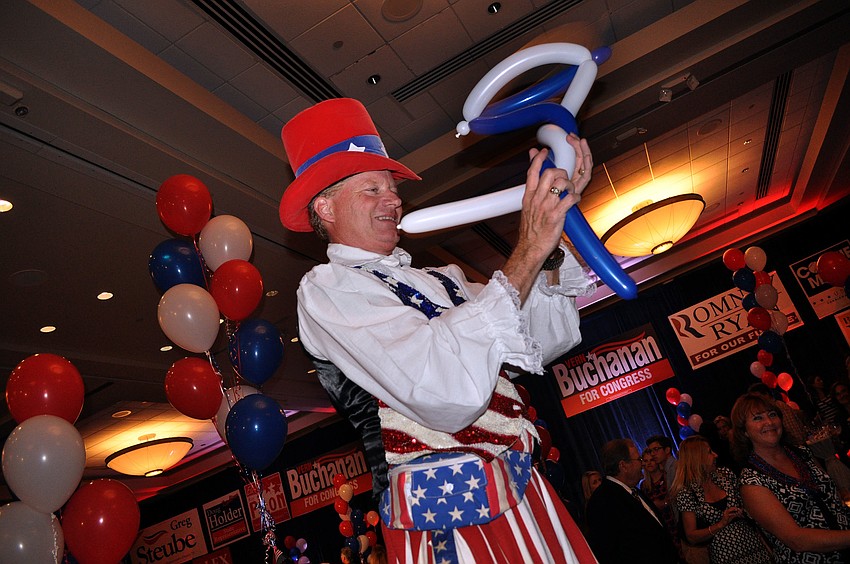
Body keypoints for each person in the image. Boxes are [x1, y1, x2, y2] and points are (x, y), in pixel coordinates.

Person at [279, 98, 597, 564]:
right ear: (324, 206)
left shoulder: (442, 278)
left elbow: (543, 340)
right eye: (372, 188)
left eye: (392, 188)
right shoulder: (327, 289)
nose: (393, 199)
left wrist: (554, 233)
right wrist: (528, 247)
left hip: (520, 493)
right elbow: (445, 391)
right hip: (446, 522)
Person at [732, 392, 850, 563]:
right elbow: (796, 540)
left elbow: (833, 498)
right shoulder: (751, 482)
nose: (769, 422)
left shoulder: (802, 453)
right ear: (745, 432)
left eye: (772, 415)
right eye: (758, 418)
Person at [670, 435, 773, 563]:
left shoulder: (725, 475)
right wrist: (721, 524)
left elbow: (749, 504)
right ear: (697, 458)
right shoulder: (687, 492)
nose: (715, 455)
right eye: (709, 452)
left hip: (754, 546)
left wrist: (745, 511)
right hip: (725, 556)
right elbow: (691, 536)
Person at [585, 439, 679, 563]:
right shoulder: (602, 502)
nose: (643, 464)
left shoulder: (634, 491)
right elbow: (611, 552)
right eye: (639, 460)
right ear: (623, 465)